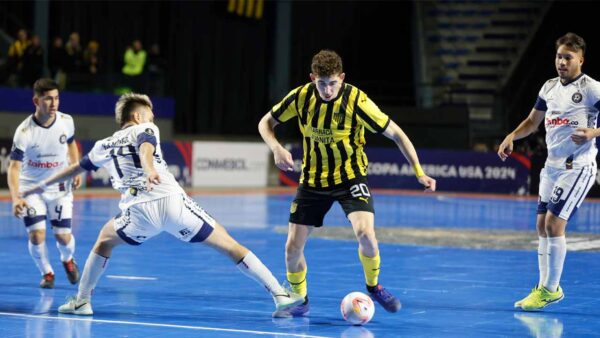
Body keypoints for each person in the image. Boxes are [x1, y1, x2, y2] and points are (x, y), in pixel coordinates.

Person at [22, 93, 304, 316]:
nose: (153, 117)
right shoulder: (146, 127)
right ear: (137, 115)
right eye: (150, 112)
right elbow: (146, 147)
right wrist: (148, 169)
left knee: (103, 243)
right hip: (171, 203)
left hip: (137, 214)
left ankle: (82, 301)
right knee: (231, 246)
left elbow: (73, 169)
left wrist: (38, 185)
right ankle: (278, 294)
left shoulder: (102, 145)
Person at [258, 50, 437, 317]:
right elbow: (265, 123)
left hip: (350, 176)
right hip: (313, 180)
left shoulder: (357, 101)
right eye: (321, 83)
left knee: (366, 234)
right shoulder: (301, 97)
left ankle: (373, 286)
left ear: (342, 78)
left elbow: (397, 134)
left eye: (333, 83)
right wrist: (275, 147)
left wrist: (419, 172)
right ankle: (301, 298)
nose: (327, 90)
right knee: (292, 248)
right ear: (312, 78)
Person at [498, 32, 599, 311]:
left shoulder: (592, 89)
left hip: (578, 167)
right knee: (541, 226)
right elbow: (532, 121)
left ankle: (550, 289)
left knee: (555, 224)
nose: (562, 62)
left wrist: (594, 131)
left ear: (581, 60)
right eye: (559, 56)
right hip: (551, 167)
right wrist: (512, 136)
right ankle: (544, 288)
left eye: (568, 57)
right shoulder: (549, 87)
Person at [7, 78, 82, 289]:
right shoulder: (25, 132)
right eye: (48, 99)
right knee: (37, 234)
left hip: (59, 188)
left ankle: (67, 260)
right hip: (31, 189)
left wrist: (75, 167)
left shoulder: (67, 121)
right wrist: (16, 198)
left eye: (56, 98)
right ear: (36, 101)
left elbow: (71, 144)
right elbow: (14, 167)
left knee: (64, 237)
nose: (54, 103)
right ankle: (47, 272)